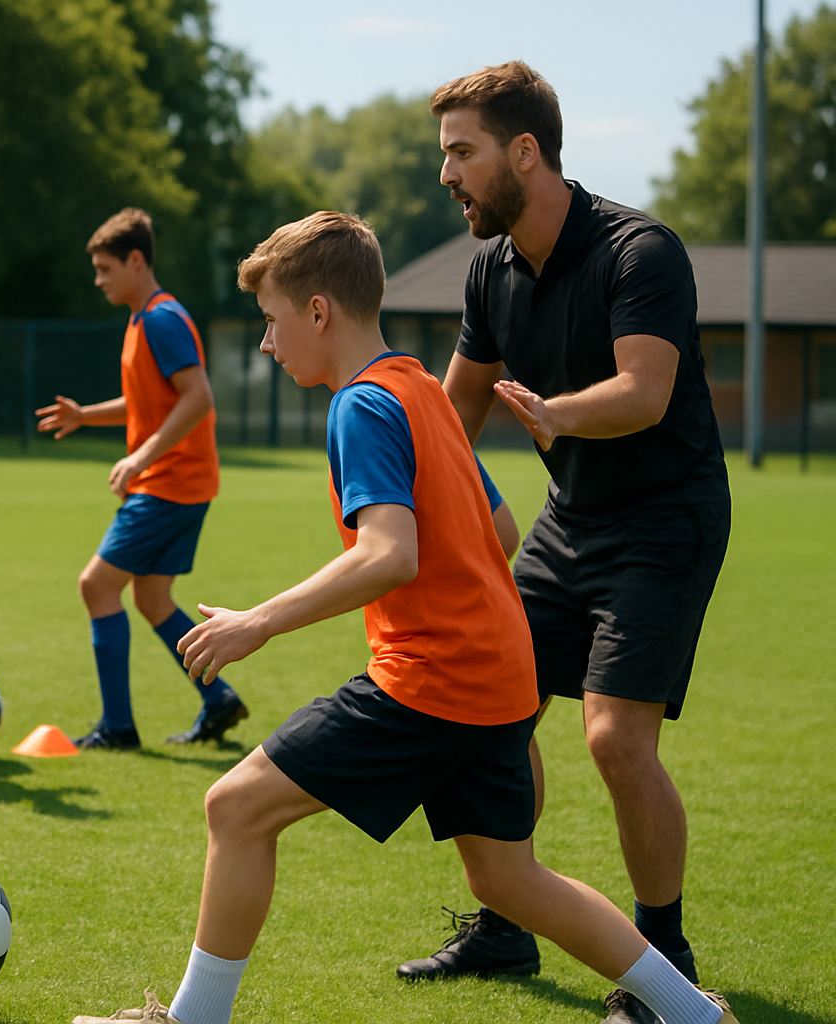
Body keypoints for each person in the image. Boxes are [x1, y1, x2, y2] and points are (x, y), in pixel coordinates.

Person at [72, 212, 736, 1024]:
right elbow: (499, 530)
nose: (270, 346)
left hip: (434, 679)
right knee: (508, 879)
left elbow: (390, 555)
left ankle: (191, 1020)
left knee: (235, 807)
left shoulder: (360, 407)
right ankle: (695, 1015)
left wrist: (261, 622)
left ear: (319, 312)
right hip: (499, 676)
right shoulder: (421, 387)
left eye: (274, 322)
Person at [395, 62, 733, 1024]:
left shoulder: (641, 250)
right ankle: (507, 922)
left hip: (667, 518)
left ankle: (662, 962)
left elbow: (645, 393)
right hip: (572, 523)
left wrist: (555, 416)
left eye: (461, 152)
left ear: (526, 151)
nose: (448, 173)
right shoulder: (491, 272)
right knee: (486, 708)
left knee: (614, 740)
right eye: (445, 154)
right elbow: (455, 416)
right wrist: (394, 483)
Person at [35, 208, 247, 751]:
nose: (99, 279)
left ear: (136, 260)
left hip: (168, 484)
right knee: (152, 599)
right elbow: (149, 402)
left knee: (95, 585)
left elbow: (199, 397)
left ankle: (118, 728)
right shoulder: (143, 319)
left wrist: (140, 458)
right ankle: (218, 700)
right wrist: (86, 416)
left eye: (106, 268)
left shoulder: (160, 318)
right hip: (181, 483)